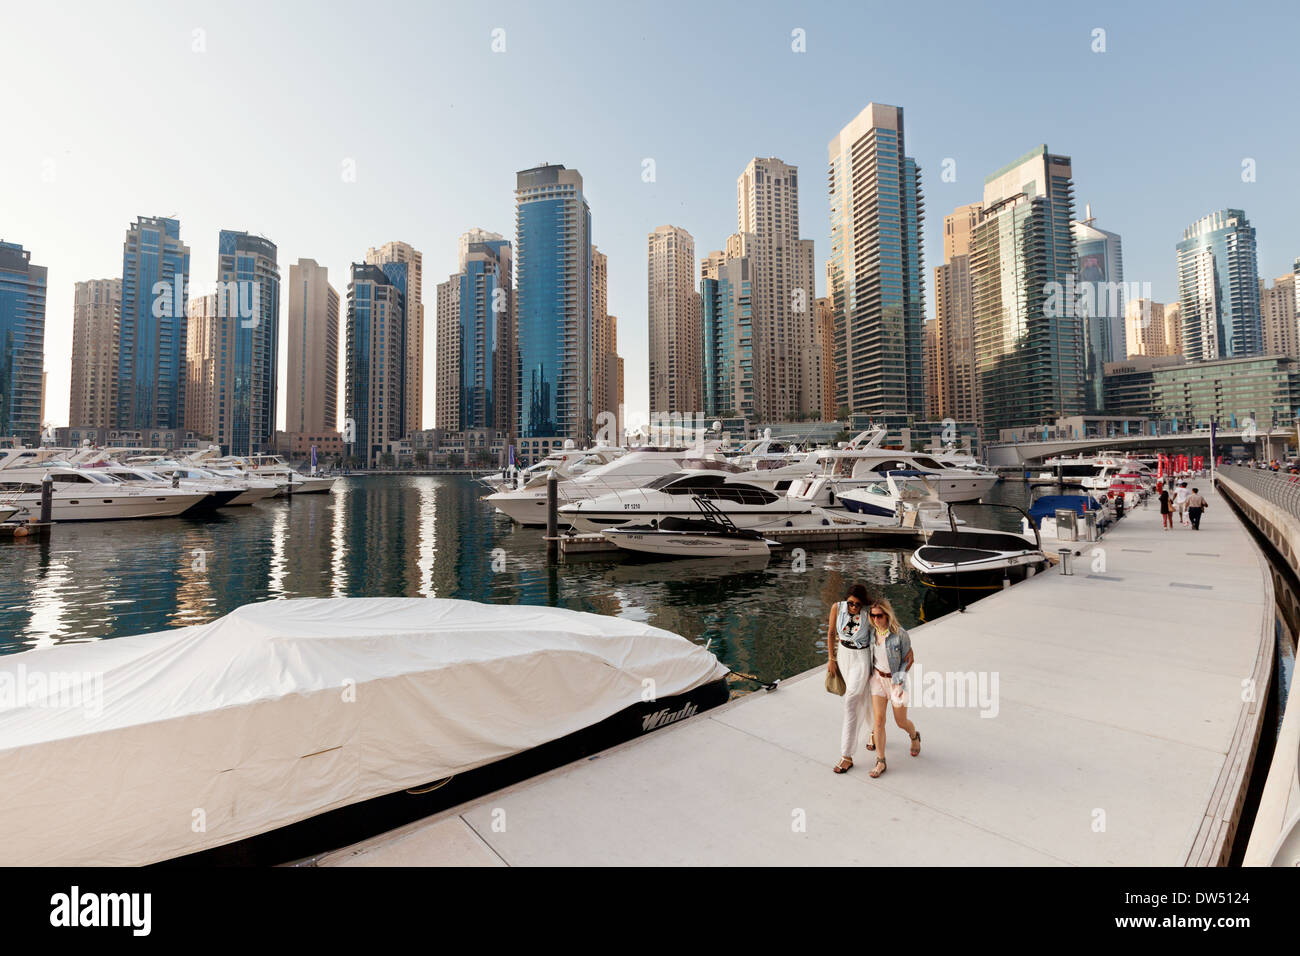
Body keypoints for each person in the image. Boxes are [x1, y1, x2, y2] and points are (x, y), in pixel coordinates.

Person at [861, 597, 919, 778]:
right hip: (877, 680)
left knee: (901, 721)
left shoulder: (900, 634)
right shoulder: (871, 632)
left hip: (896, 681)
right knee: (878, 721)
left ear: (887, 615)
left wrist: (900, 681)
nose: (876, 619)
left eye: (879, 616)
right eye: (873, 615)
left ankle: (914, 735)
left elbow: (909, 659)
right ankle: (881, 761)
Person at [828, 584, 872, 774]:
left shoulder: (870, 613)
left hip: (861, 657)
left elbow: (884, 630)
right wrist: (831, 659)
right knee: (864, 698)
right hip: (843, 656)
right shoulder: (837, 608)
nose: (853, 607)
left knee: (851, 701)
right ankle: (874, 731)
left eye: (858, 604)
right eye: (851, 603)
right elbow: (830, 633)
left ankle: (846, 755)